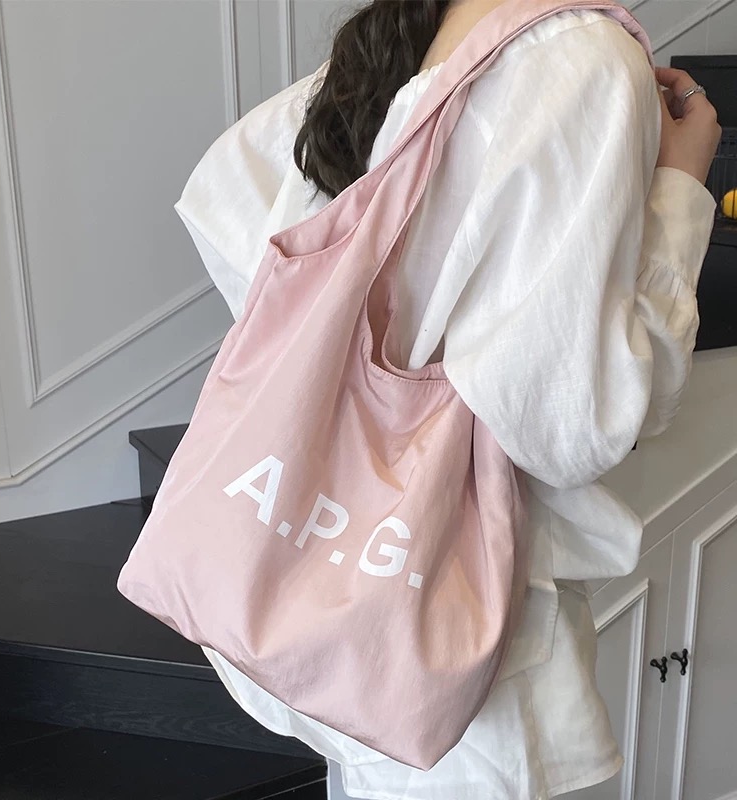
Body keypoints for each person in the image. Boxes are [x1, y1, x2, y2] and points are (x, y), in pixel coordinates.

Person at [172, 1, 722, 797]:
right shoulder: (584, 60)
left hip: (340, 599)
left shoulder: (425, 21)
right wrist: (680, 190)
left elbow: (225, 193)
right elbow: (575, 426)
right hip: (451, 635)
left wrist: (355, 377)